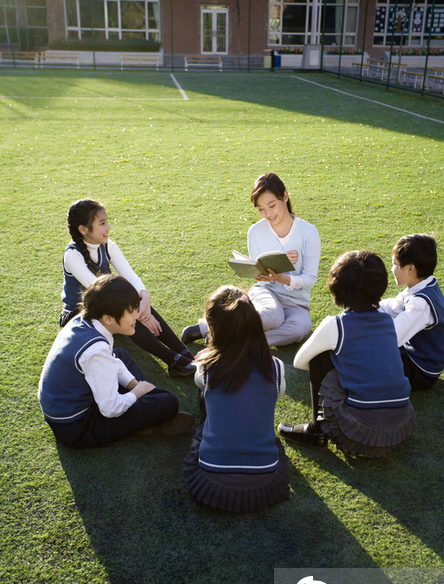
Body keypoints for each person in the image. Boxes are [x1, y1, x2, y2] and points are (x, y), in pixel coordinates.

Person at [279, 251, 415, 458]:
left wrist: (341, 365)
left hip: (360, 426)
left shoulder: (336, 324)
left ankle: (315, 431)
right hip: (400, 423)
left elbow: (300, 362)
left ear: (337, 288)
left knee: (320, 356)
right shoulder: (388, 321)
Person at [39, 274, 194, 449]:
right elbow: (110, 408)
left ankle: (147, 410)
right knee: (167, 402)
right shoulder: (95, 350)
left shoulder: (87, 320)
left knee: (120, 356)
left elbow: (112, 361)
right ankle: (150, 420)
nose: (137, 315)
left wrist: (134, 384)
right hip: (77, 426)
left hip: (69, 404)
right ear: (108, 318)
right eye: (131, 311)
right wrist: (138, 392)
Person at [182, 173, 321, 347]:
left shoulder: (308, 232)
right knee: (273, 317)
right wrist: (266, 274)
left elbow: (310, 278)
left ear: (285, 196)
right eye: (261, 209)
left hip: (296, 304)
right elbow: (258, 272)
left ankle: (227, 337)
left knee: (301, 328)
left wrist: (282, 278)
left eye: (272, 205)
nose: (268, 213)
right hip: (266, 293)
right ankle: (212, 326)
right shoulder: (255, 231)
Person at [183, 285, 289, 512]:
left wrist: (207, 357)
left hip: (211, 480)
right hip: (266, 480)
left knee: (206, 400)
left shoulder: (205, 368)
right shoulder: (276, 367)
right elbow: (276, 395)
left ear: (214, 330)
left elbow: (199, 385)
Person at [60, 198, 195, 377]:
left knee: (135, 304)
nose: (108, 227)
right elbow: (100, 293)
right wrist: (138, 314)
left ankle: (187, 355)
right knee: (125, 309)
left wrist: (144, 298)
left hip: (105, 309)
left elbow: (130, 275)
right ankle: (173, 361)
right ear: (83, 230)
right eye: (102, 223)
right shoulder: (72, 256)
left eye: (107, 221)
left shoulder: (108, 245)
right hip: (79, 316)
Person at [378, 234, 444, 391]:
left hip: (421, 370)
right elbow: (393, 306)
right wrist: (364, 306)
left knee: (370, 355)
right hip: (413, 353)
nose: (391, 269)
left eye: (395, 264)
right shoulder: (423, 284)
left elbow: (390, 339)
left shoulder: (420, 304)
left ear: (410, 269)